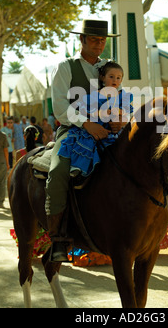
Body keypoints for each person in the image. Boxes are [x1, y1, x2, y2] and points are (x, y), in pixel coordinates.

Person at [45, 19, 120, 262]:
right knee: (57, 172)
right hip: (73, 131)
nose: (99, 44)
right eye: (95, 39)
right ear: (82, 40)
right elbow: (59, 107)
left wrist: (118, 118)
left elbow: (117, 97)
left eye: (102, 40)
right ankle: (57, 239)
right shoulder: (65, 67)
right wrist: (87, 123)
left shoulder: (110, 68)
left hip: (107, 130)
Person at [58, 61, 133, 177]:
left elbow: (126, 114)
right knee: (87, 142)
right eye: (111, 77)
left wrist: (120, 121)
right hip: (94, 127)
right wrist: (100, 113)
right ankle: (79, 168)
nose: (115, 80)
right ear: (103, 78)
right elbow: (86, 111)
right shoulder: (95, 95)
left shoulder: (123, 96)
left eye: (118, 78)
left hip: (113, 131)